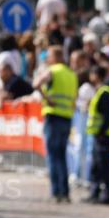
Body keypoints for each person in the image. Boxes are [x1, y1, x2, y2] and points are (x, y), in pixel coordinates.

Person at [33, 45, 78, 203]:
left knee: (53, 156)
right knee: (62, 156)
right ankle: (65, 192)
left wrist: (46, 97)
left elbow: (36, 83)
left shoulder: (52, 70)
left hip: (53, 116)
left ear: (56, 57)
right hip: (67, 117)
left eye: (49, 56)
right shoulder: (71, 74)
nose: (47, 59)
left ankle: (56, 192)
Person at [84, 64, 109, 205]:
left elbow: (107, 116)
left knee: (103, 166)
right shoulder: (101, 91)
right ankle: (95, 193)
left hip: (103, 136)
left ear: (96, 75)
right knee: (96, 166)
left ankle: (106, 195)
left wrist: (100, 132)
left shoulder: (105, 92)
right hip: (100, 135)